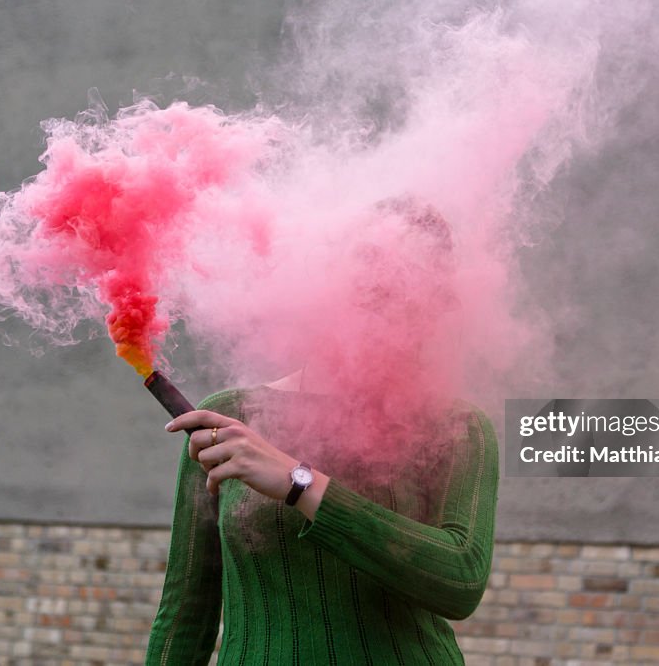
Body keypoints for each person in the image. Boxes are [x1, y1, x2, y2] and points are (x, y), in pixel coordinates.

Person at [145, 198, 500, 665]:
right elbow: (184, 616)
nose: (389, 309)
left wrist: (300, 482)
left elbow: (462, 581)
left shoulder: (455, 428)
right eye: (371, 284)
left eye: (411, 292)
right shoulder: (232, 418)